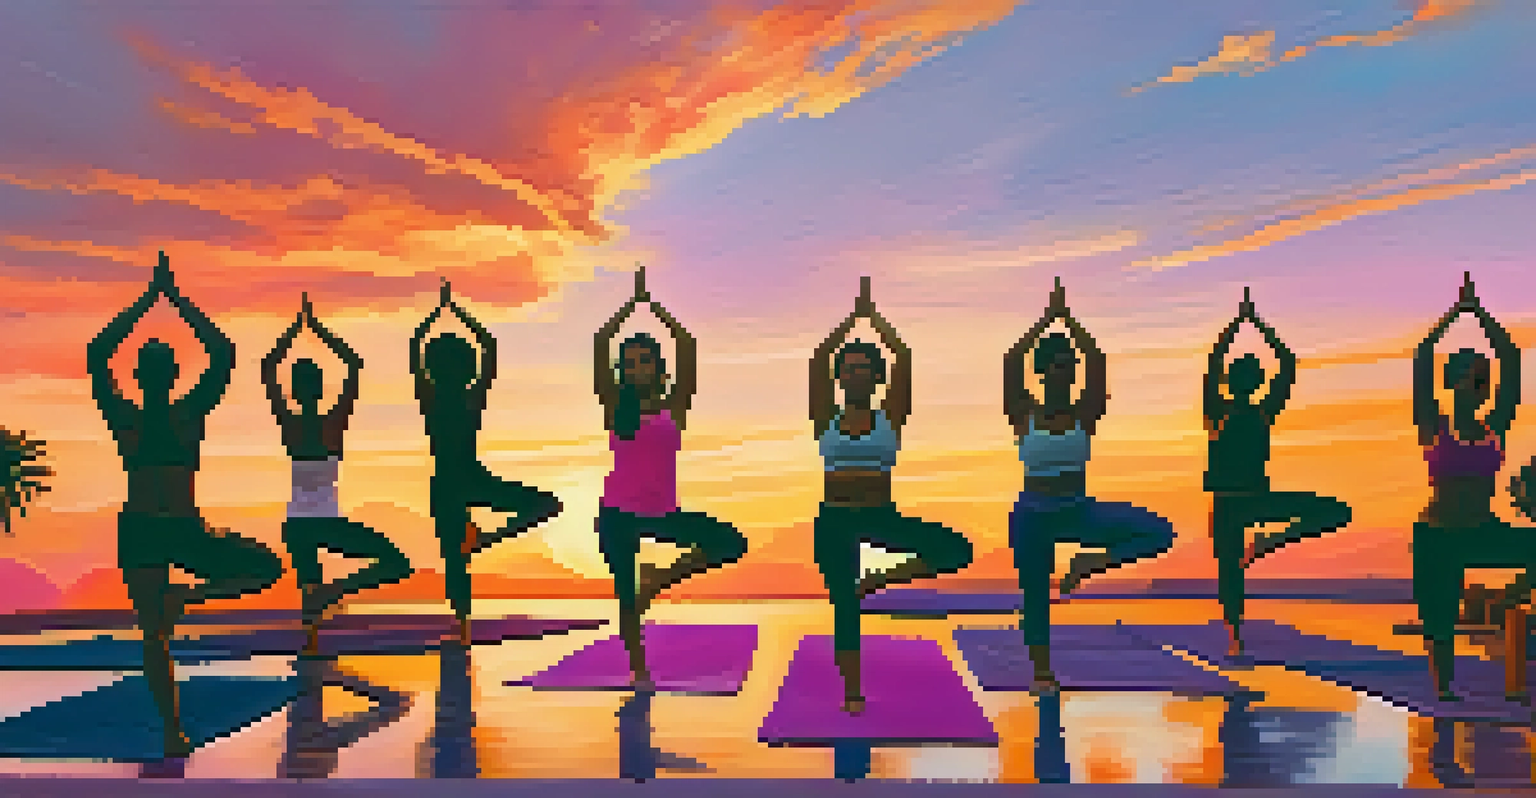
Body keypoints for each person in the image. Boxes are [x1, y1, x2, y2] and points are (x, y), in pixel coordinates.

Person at [87, 252, 284, 758]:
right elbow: (101, 351)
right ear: (150, 374)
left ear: (171, 373)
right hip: (151, 531)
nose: (157, 369)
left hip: (173, 529)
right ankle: (172, 729)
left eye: (161, 363)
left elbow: (220, 354)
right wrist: (160, 298)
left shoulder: (171, 415)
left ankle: (184, 603)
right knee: (154, 636)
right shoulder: (142, 418)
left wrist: (165, 299)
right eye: (151, 363)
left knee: (262, 569)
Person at [811, 276, 974, 714]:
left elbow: (902, 358)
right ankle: (851, 691)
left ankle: (878, 580)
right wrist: (850, 321)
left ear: (876, 376)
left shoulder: (890, 416)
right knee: (844, 606)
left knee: (956, 550)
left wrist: (874, 319)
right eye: (850, 368)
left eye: (865, 367)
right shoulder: (825, 417)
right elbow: (819, 360)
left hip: (881, 515)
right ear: (841, 376)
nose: (857, 373)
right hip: (834, 519)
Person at [1004, 277, 1175, 693]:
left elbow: (1097, 361)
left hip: (1077, 509)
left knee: (1158, 532)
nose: (1063, 371)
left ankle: (1087, 565)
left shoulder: (1086, 411)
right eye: (1056, 364)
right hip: (1033, 514)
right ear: (1043, 371)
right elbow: (1012, 361)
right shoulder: (1024, 413)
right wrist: (1044, 322)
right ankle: (1042, 674)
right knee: (1035, 597)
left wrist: (1071, 323)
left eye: (1069, 365)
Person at [593, 267, 748, 689]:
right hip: (618, 513)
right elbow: (600, 345)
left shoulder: (672, 407)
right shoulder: (614, 405)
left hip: (663, 512)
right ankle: (639, 670)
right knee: (628, 596)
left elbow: (687, 348)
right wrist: (628, 309)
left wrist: (654, 307)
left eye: (644, 361)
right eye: (629, 363)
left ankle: (660, 578)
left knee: (730, 543)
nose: (635, 368)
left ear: (656, 369)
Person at [411, 279, 563, 644]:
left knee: (545, 505)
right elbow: (426, 351)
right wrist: (446, 314)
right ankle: (461, 628)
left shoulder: (464, 395)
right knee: (455, 563)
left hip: (467, 478)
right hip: (451, 482)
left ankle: (481, 541)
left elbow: (485, 351)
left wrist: (445, 313)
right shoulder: (434, 395)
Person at [1204, 287, 1352, 658]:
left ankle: (1269, 542)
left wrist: (1257, 324)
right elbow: (1212, 363)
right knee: (1230, 573)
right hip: (1226, 504)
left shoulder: (1263, 411)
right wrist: (1235, 325)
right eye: (1240, 374)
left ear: (1255, 383)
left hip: (1257, 500)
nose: (1247, 380)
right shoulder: (1215, 413)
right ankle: (1235, 636)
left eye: (1252, 375)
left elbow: (1287, 365)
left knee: (1336, 511)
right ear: (1230, 381)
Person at [263, 293, 414, 654]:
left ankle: (324, 612)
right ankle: (318, 631)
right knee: (389, 564)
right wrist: (314, 330)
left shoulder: (305, 424)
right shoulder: (323, 423)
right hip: (314, 522)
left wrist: (301, 330)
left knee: (388, 565)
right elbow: (351, 366)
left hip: (305, 523)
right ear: (308, 388)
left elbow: (272, 368)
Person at [1412, 272, 1533, 701]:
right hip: (1439, 534)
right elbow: (1422, 358)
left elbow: (1513, 362)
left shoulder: (1494, 427)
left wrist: (1481, 314)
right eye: (1466, 375)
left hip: (1483, 529)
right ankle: (1443, 690)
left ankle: (1501, 603)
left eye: (1480, 377)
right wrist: (1455, 314)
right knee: (1439, 616)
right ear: (1452, 380)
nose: (1474, 384)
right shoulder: (1433, 424)